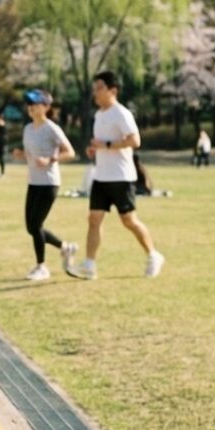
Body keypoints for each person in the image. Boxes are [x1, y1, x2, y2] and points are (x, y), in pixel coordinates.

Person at [65, 71, 164, 281]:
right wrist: (95, 149)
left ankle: (153, 255)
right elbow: (102, 142)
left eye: (99, 88)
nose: (95, 92)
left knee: (129, 221)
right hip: (101, 176)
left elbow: (135, 141)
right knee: (93, 219)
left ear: (113, 91)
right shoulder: (99, 115)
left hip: (122, 176)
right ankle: (90, 264)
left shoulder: (121, 113)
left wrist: (108, 145)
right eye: (95, 88)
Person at [12, 89, 77, 281]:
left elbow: (70, 152)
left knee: (35, 224)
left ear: (46, 107)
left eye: (34, 104)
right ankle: (65, 247)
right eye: (29, 104)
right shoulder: (28, 129)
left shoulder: (52, 129)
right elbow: (31, 156)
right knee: (31, 227)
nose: (30, 107)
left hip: (49, 182)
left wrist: (49, 160)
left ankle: (41, 267)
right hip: (33, 182)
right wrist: (21, 156)